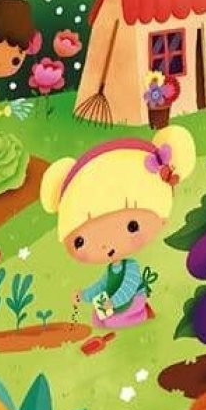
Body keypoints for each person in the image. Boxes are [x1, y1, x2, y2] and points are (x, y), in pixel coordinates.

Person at [40, 126, 195, 332]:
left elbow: (127, 289)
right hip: (115, 302)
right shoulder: (111, 268)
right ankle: (120, 317)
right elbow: (102, 285)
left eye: (132, 226)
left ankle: (143, 313)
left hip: (134, 300)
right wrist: (84, 295)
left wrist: (112, 304)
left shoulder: (130, 267)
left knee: (110, 321)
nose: (107, 245)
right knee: (97, 318)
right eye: (80, 241)